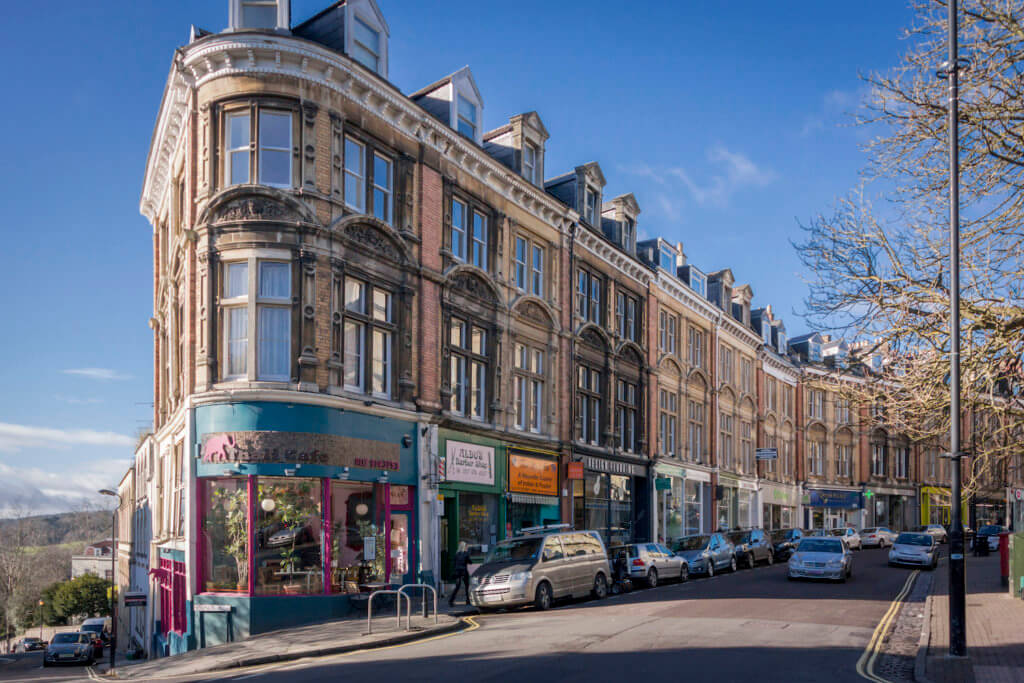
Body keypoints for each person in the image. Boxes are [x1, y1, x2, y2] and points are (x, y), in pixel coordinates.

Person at [448, 541, 471, 607]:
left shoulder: (456, 554)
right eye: (466, 546)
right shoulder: (466, 554)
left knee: (457, 587)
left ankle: (451, 600)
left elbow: (454, 563)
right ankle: (468, 600)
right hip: (464, 571)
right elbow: (470, 562)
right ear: (464, 547)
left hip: (457, 572)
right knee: (467, 586)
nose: (467, 547)